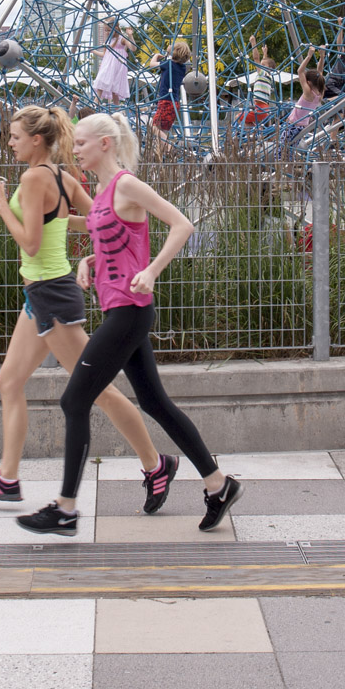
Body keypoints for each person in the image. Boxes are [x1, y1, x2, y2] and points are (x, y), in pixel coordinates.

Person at [16, 112, 244, 536]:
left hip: (130, 312)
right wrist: (88, 260)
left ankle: (65, 507)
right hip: (123, 310)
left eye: (81, 143)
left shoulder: (125, 184)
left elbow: (183, 224)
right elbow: (115, 239)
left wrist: (153, 270)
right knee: (155, 402)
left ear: (105, 143)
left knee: (74, 400)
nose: (75, 148)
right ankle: (218, 484)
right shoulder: (103, 192)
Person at [0, 105, 176, 515]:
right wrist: (86, 249)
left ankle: (156, 464)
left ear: (36, 140)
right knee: (8, 382)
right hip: (41, 295)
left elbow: (30, 244)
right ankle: (7, 478)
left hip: (52, 296)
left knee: (99, 392)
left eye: (14, 137)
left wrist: (0, 204)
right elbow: (96, 217)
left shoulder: (32, 178)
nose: (9, 142)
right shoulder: (62, 177)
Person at [148, 40, 190, 143]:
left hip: (166, 101)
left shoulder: (168, 64)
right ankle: (162, 154)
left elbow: (151, 64)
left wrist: (156, 56)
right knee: (163, 131)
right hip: (174, 103)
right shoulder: (183, 68)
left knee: (153, 127)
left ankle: (170, 147)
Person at [93, 17, 135, 105]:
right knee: (101, 81)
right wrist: (93, 51)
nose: (107, 32)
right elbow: (104, 54)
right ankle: (96, 103)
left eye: (108, 30)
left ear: (115, 28)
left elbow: (133, 48)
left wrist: (130, 36)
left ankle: (116, 110)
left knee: (115, 90)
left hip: (117, 67)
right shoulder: (108, 40)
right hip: (107, 65)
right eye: (105, 30)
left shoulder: (121, 39)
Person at [237, 33, 276, 126]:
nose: (260, 66)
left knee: (238, 117)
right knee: (248, 121)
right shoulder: (268, 75)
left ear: (269, 68)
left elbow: (256, 58)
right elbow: (264, 62)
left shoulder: (263, 73)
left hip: (260, 107)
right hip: (264, 108)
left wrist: (253, 43)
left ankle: (250, 135)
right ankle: (256, 132)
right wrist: (265, 53)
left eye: (263, 65)